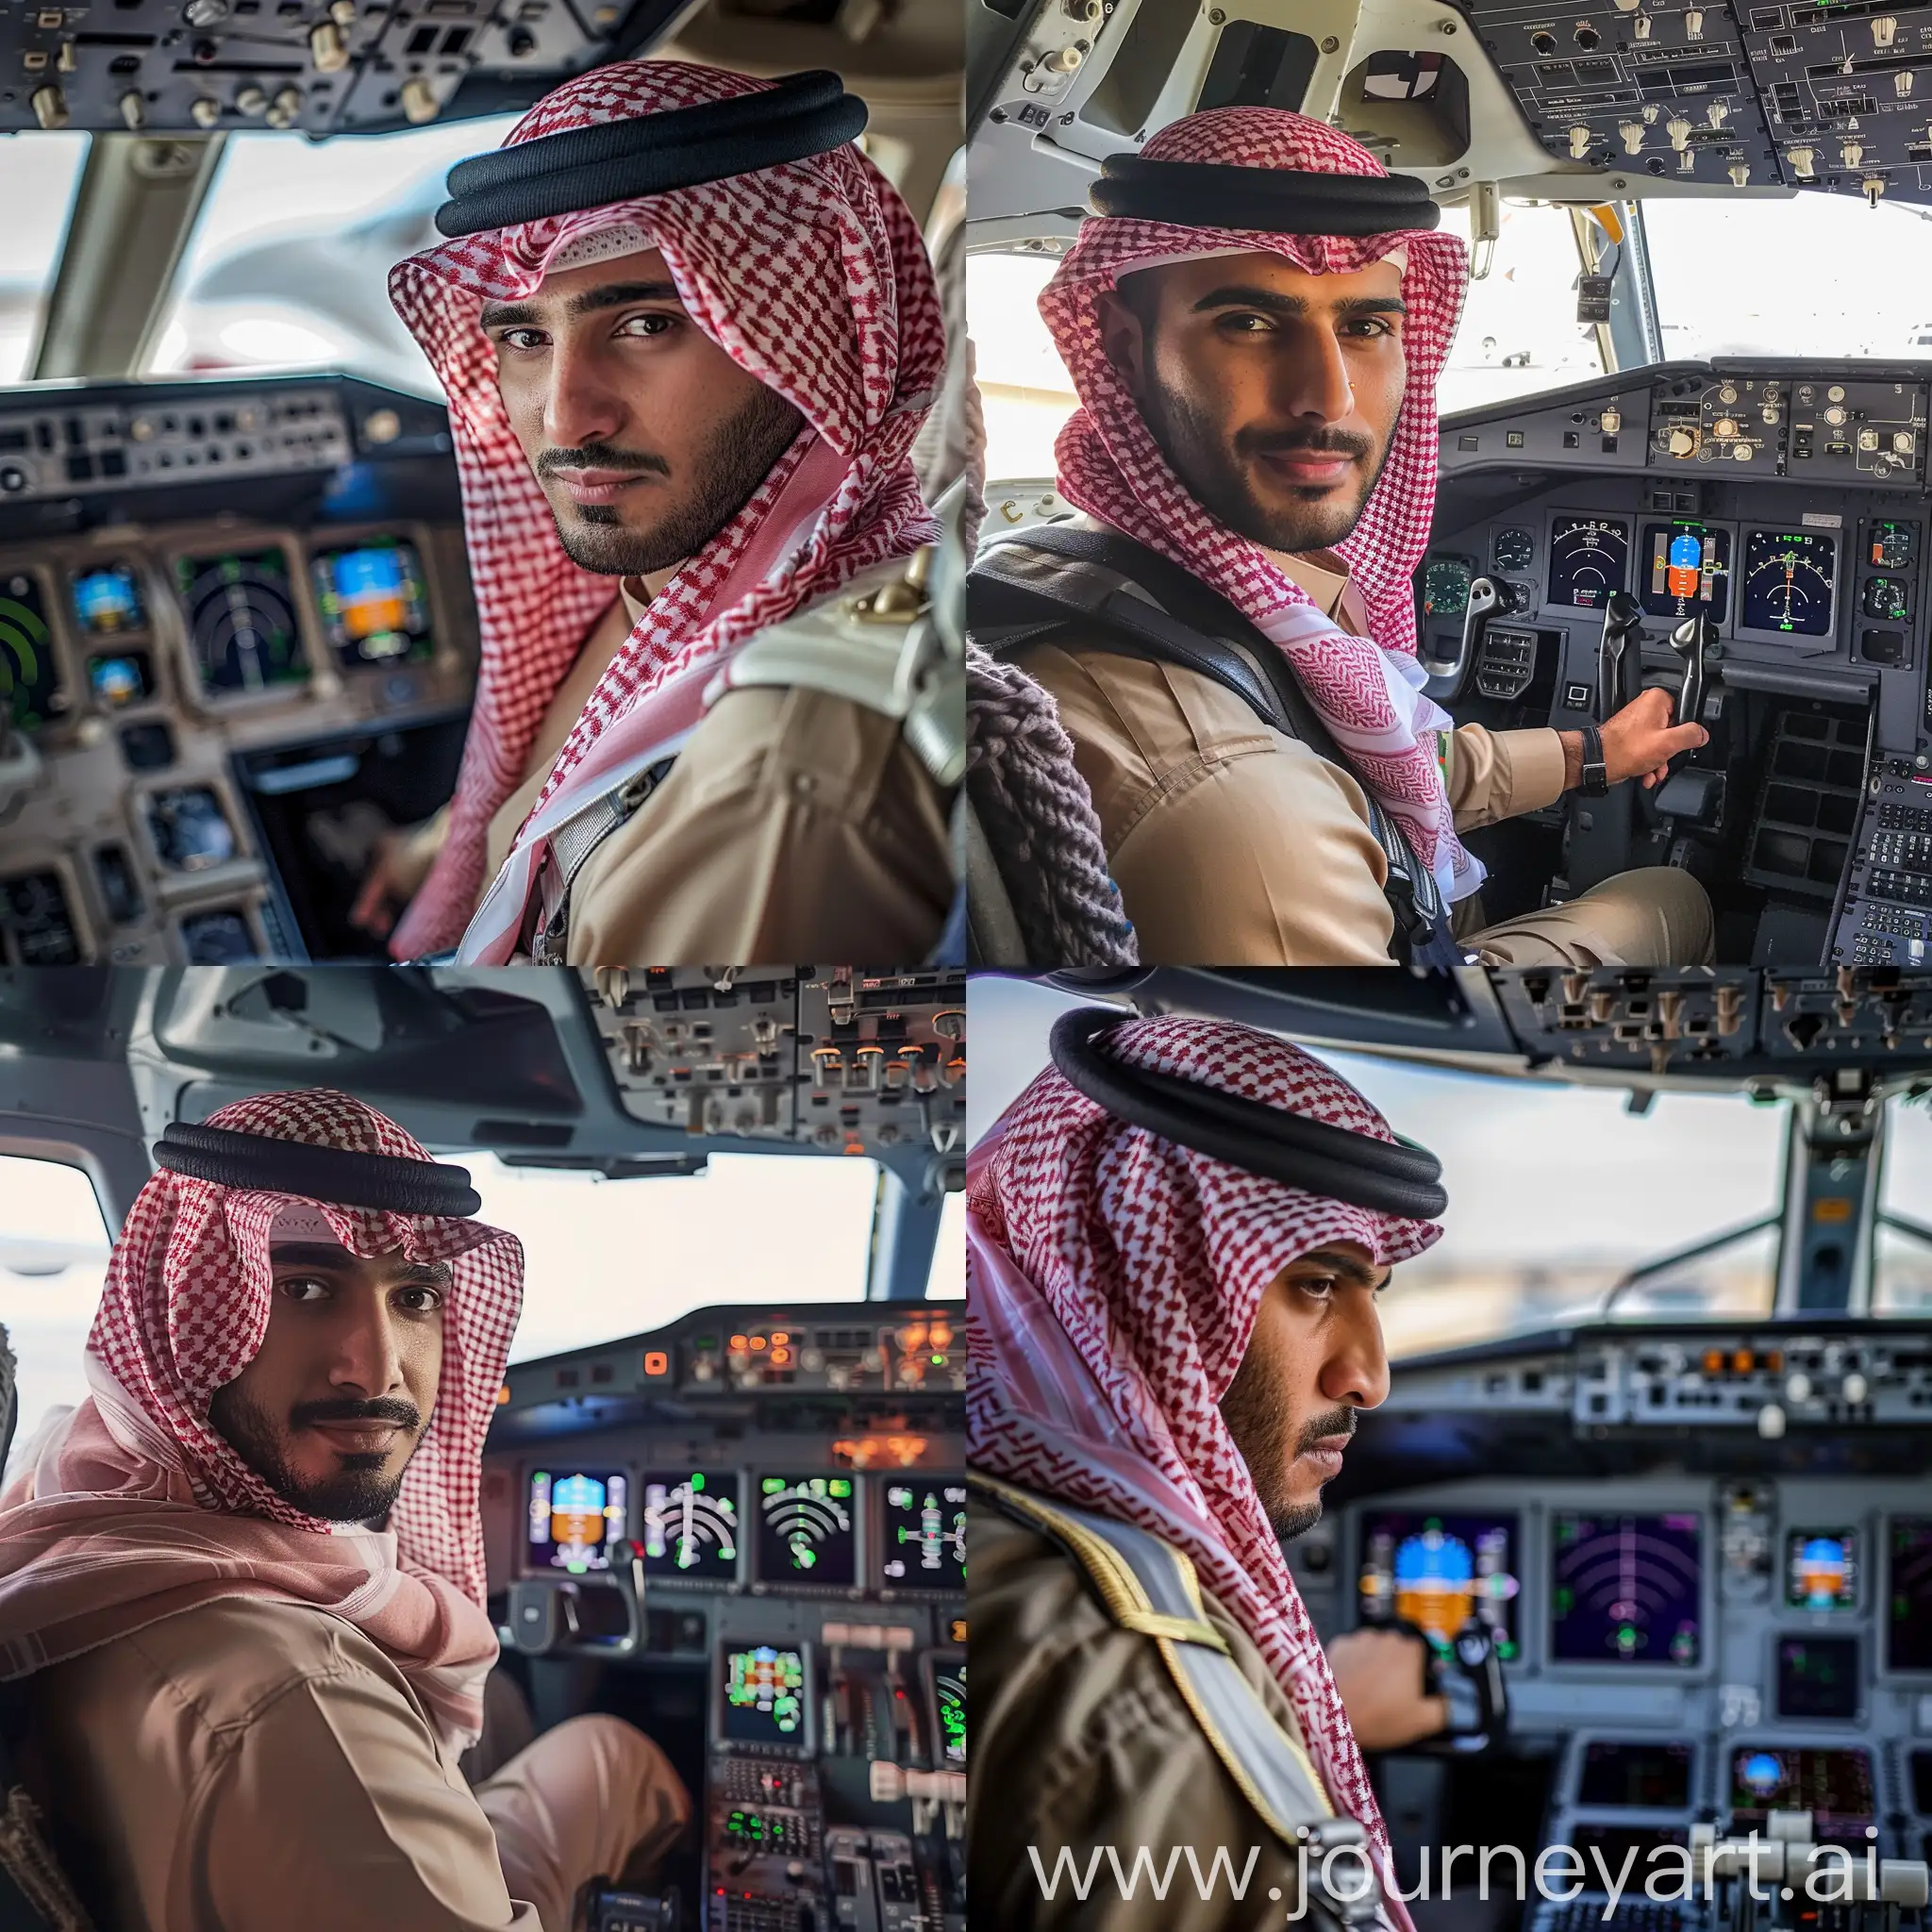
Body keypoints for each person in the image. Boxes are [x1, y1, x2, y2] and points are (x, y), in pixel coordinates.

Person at [967, 108, 1715, 969]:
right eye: (1249, 321)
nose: (1329, 398)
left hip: (1383, 903)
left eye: (1365, 326)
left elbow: (1378, 753)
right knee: (1670, 896)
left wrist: (1593, 754)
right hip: (1408, 1003)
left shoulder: (1082, 570)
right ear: (1127, 348)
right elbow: (1362, 1088)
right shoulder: (1238, 808)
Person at [0, 1090, 689, 1931]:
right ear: (180, 1305)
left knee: (509, 1712)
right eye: (304, 1289)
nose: (378, 1372)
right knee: (617, 1757)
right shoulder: (305, 1703)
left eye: (414, 1298)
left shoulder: (65, 1490)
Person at [354, 60, 955, 965]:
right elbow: (549, 785)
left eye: (644, 325)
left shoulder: (778, 783)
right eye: (525, 337)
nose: (564, 418)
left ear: (817, 334)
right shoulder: (651, 576)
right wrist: (419, 855)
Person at [969, 1014, 1453, 1930]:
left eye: (1369, 1292)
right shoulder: (1128, 1690)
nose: (1368, 1375)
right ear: (1137, 1276)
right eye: (1313, 1283)